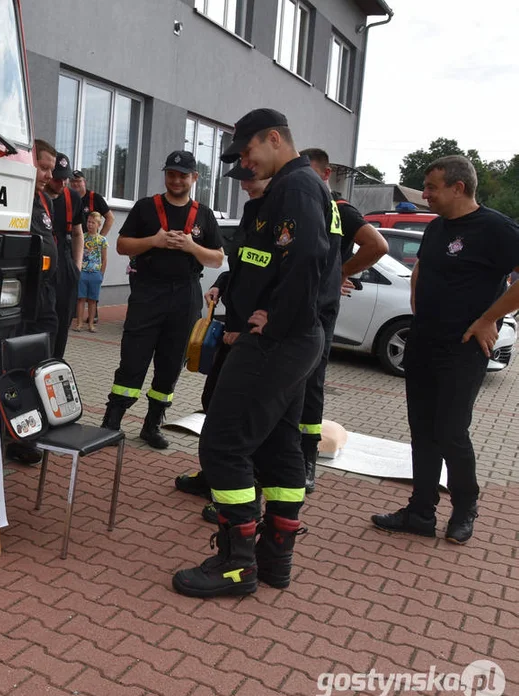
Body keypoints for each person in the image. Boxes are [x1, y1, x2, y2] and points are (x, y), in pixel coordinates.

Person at [172, 109, 338, 598]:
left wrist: (276, 319)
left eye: (247, 152)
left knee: (223, 444)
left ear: (273, 139)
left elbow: (308, 257)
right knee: (277, 445)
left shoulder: (297, 186)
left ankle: (235, 564)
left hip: (278, 341)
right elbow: (277, 261)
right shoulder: (298, 186)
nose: (244, 164)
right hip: (295, 340)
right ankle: (273, 559)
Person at [371, 155, 519, 544]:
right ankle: (420, 511)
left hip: (464, 347)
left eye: (432, 187)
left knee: (451, 431)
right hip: (423, 342)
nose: (426, 194)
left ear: (458, 187)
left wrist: (489, 319)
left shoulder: (496, 228)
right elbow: (421, 269)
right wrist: (420, 309)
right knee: (422, 430)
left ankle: (465, 506)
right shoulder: (437, 228)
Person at [100, 151, 223, 449]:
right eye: (171, 174)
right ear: (165, 175)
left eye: (183, 175)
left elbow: (217, 259)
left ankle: (152, 425)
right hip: (148, 291)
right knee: (133, 358)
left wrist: (192, 246)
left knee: (170, 364)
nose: (176, 180)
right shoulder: (145, 208)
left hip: (185, 294)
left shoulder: (204, 214)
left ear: (194, 178)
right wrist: (153, 241)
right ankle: (111, 422)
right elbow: (121, 245)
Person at [174, 164, 270, 519]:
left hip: (256, 341)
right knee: (212, 403)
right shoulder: (253, 213)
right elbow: (245, 267)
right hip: (233, 333)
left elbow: (280, 280)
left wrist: (245, 330)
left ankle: (240, 501)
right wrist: (223, 285)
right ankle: (211, 477)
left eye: (251, 177)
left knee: (240, 419)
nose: (244, 184)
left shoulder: (283, 216)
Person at [297, 148, 388, 492]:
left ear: (325, 174)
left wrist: (340, 272)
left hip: (319, 311)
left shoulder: (338, 210)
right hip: (292, 307)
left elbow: (377, 245)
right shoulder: (299, 204)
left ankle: (307, 460)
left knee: (311, 382)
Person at [4, 138, 60, 466]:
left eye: (50, 169)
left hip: (46, 296)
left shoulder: (42, 199)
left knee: (42, 364)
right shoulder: (14, 196)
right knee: (19, 368)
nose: (47, 175)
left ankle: (34, 426)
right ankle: (18, 437)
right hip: (22, 297)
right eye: (43, 167)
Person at [45, 154, 85, 359]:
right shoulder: (35, 195)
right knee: (43, 323)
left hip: (65, 266)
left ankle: (55, 363)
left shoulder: (73, 198)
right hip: (41, 268)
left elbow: (78, 233)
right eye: (57, 178)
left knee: (61, 324)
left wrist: (76, 268)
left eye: (65, 179)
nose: (62, 183)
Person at [70, 170, 115, 325]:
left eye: (79, 181)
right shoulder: (68, 196)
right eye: (73, 182)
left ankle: (93, 315)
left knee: (93, 281)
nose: (75, 184)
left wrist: (99, 237)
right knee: (75, 278)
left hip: (89, 248)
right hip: (72, 243)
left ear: (85, 182)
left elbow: (110, 217)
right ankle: (74, 313)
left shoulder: (94, 198)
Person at [75, 212, 107, 332]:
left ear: (98, 225)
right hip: (83, 271)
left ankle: (91, 324)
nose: (90, 224)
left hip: (95, 273)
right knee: (81, 298)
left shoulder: (102, 240)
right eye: (88, 222)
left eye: (93, 222)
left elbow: (104, 258)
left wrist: (101, 274)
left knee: (93, 300)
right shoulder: (82, 237)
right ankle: (79, 323)